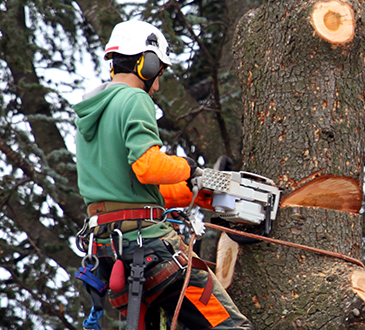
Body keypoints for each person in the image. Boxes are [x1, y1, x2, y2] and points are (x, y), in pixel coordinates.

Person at [73, 20, 253, 330]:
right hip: (149, 249)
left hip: (109, 253)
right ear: (146, 62)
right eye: (159, 74)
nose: (156, 86)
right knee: (232, 327)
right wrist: (191, 169)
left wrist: (194, 193)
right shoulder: (134, 99)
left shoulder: (91, 116)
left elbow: (129, 190)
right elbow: (148, 166)